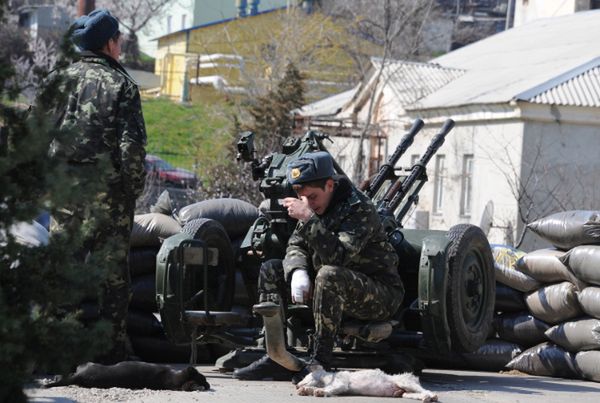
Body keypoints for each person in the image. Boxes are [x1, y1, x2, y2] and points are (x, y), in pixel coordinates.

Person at [233, 151, 404, 381]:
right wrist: (297, 271)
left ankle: (320, 361)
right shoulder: (313, 206)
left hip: (379, 294)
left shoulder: (359, 209)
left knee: (329, 274)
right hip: (331, 287)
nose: (308, 204)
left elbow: (339, 257)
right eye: (302, 198)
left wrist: (308, 219)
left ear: (330, 185)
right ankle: (276, 354)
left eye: (313, 197)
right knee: (272, 269)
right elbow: (296, 244)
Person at [47, 9, 147, 363]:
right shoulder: (121, 85)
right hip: (109, 193)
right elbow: (131, 148)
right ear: (109, 43)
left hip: (64, 192)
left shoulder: (56, 80)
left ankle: (57, 349)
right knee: (112, 274)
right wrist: (132, 189)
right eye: (118, 39)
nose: (120, 45)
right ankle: (110, 349)